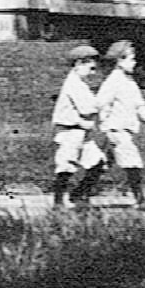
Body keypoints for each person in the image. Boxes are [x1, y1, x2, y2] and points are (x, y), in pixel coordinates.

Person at [96, 39, 145, 208]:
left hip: (125, 130)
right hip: (116, 130)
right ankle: (141, 200)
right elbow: (100, 103)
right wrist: (105, 123)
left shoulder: (130, 82)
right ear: (120, 61)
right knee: (133, 163)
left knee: (101, 163)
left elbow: (140, 106)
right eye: (131, 59)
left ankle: (80, 192)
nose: (134, 63)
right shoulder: (113, 81)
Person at [50, 42, 105, 207]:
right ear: (78, 64)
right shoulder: (74, 84)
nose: (92, 71)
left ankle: (79, 194)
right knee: (66, 166)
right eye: (90, 67)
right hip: (70, 131)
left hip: (81, 132)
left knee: (97, 163)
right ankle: (58, 202)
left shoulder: (81, 84)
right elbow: (88, 108)